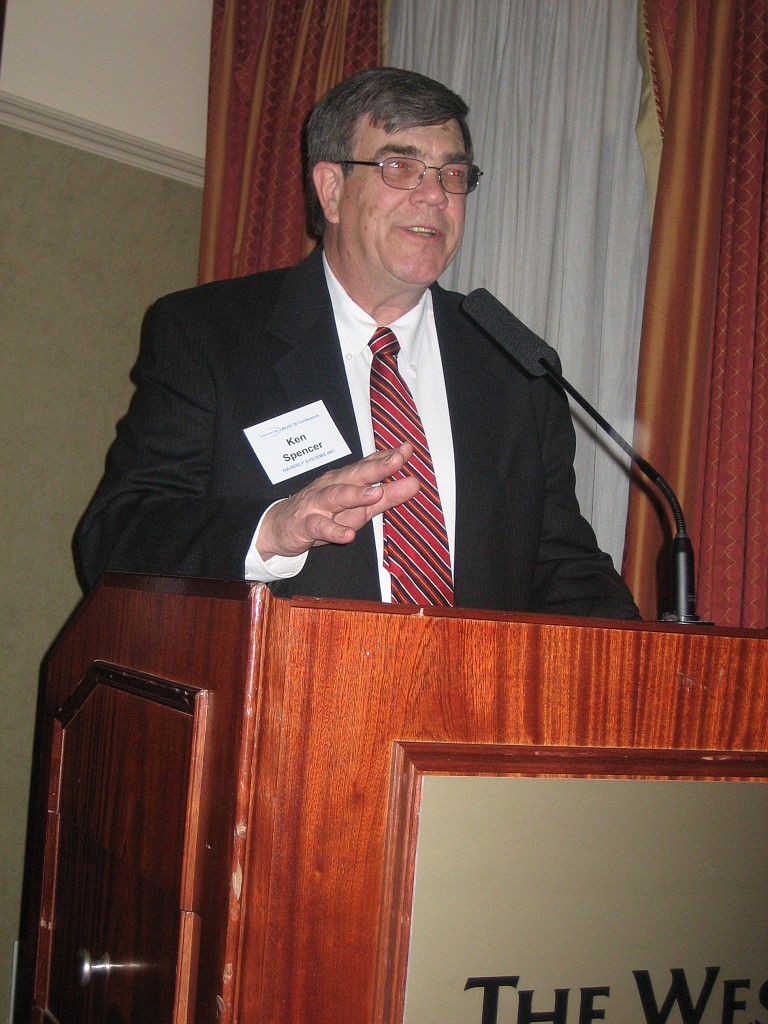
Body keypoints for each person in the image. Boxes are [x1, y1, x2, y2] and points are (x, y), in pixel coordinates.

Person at [75, 67, 639, 619]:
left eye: (452, 173)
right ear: (332, 190)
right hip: (282, 678)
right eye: (401, 167)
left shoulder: (514, 363)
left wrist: (660, 663)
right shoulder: (209, 334)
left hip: (476, 683)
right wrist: (275, 531)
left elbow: (563, 569)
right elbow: (116, 537)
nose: (435, 195)